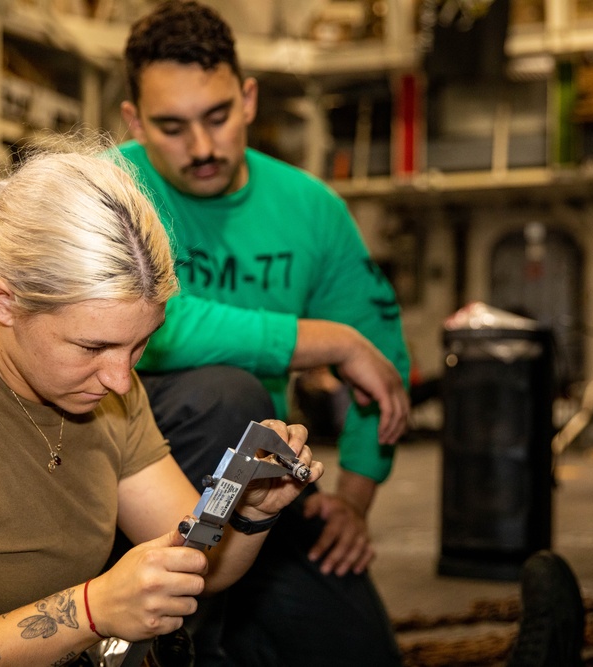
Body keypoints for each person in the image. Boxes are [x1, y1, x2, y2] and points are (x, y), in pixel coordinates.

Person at [0, 143, 322, 666]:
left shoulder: (105, 396)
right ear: (4, 303)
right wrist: (89, 612)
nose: (122, 380)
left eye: (139, 344)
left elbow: (198, 567)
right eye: (92, 347)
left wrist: (250, 515)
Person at [109, 2, 411, 664]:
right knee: (228, 397)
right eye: (172, 127)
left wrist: (355, 497)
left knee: (359, 651)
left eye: (218, 116)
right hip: (117, 474)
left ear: (248, 98)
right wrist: (321, 341)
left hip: (255, 480)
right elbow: (154, 326)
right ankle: (175, 642)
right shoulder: (111, 190)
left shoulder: (309, 209)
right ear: (134, 122)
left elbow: (380, 352)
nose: (203, 147)